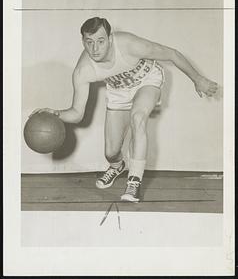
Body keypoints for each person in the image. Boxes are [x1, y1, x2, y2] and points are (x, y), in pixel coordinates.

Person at [31, 17, 218, 202]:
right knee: (110, 152)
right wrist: (56, 113)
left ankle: (134, 181)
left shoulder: (129, 44)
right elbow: (77, 113)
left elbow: (172, 54)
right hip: (118, 92)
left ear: (110, 38)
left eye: (101, 41)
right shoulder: (83, 71)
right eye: (89, 42)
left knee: (138, 118)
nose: (95, 48)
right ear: (83, 41)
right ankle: (117, 165)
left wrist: (198, 79)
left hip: (147, 80)